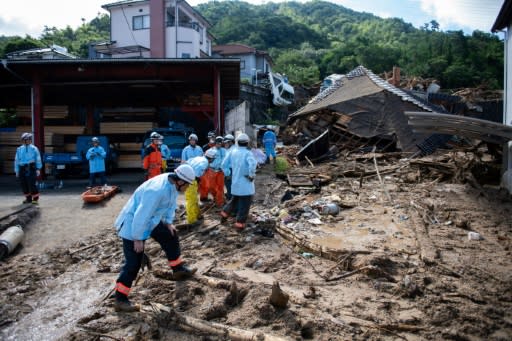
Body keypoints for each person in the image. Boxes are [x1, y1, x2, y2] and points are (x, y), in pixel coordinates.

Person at [113, 164, 197, 312]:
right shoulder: (157, 190)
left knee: (170, 235)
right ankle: (120, 299)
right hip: (133, 225)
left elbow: (170, 205)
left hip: (151, 221)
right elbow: (141, 214)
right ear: (181, 181)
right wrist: (137, 238)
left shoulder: (172, 185)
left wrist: (168, 222)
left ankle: (178, 269)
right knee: (133, 264)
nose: (188, 188)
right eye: (188, 185)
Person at [220, 133, 257, 230]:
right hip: (246, 186)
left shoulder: (232, 152)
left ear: (237, 142)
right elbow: (252, 164)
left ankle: (224, 214)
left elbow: (223, 164)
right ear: (247, 142)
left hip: (235, 183)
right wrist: (251, 175)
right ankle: (239, 224)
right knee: (244, 205)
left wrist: (228, 173)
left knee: (234, 200)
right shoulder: (248, 153)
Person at [185, 150, 216, 224]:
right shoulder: (204, 162)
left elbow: (186, 162)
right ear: (211, 158)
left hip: (189, 179)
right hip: (191, 180)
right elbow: (199, 170)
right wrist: (198, 178)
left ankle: (198, 215)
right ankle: (191, 220)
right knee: (191, 200)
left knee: (194, 198)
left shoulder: (198, 158)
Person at [14, 133, 42, 205]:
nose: (26, 141)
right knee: (24, 184)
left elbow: (38, 159)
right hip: (22, 168)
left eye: (28, 139)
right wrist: (17, 170)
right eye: (24, 140)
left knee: (32, 184)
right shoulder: (19, 149)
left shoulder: (34, 148)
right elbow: (16, 160)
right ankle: (28, 198)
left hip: (31, 168)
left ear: (30, 140)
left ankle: (35, 199)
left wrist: (38, 168)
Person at [206, 136, 226, 207]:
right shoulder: (210, 150)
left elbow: (226, 161)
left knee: (220, 187)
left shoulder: (224, 151)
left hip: (220, 171)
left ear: (222, 144)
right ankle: (215, 198)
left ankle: (219, 202)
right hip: (212, 171)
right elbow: (206, 160)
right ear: (215, 143)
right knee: (211, 186)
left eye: (220, 143)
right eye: (217, 143)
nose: (219, 145)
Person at [222, 134, 235, 200]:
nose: (225, 144)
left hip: (230, 170)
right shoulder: (233, 149)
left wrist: (227, 173)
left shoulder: (231, 151)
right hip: (233, 169)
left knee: (229, 184)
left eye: (226, 143)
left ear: (230, 142)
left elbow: (224, 164)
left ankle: (230, 198)